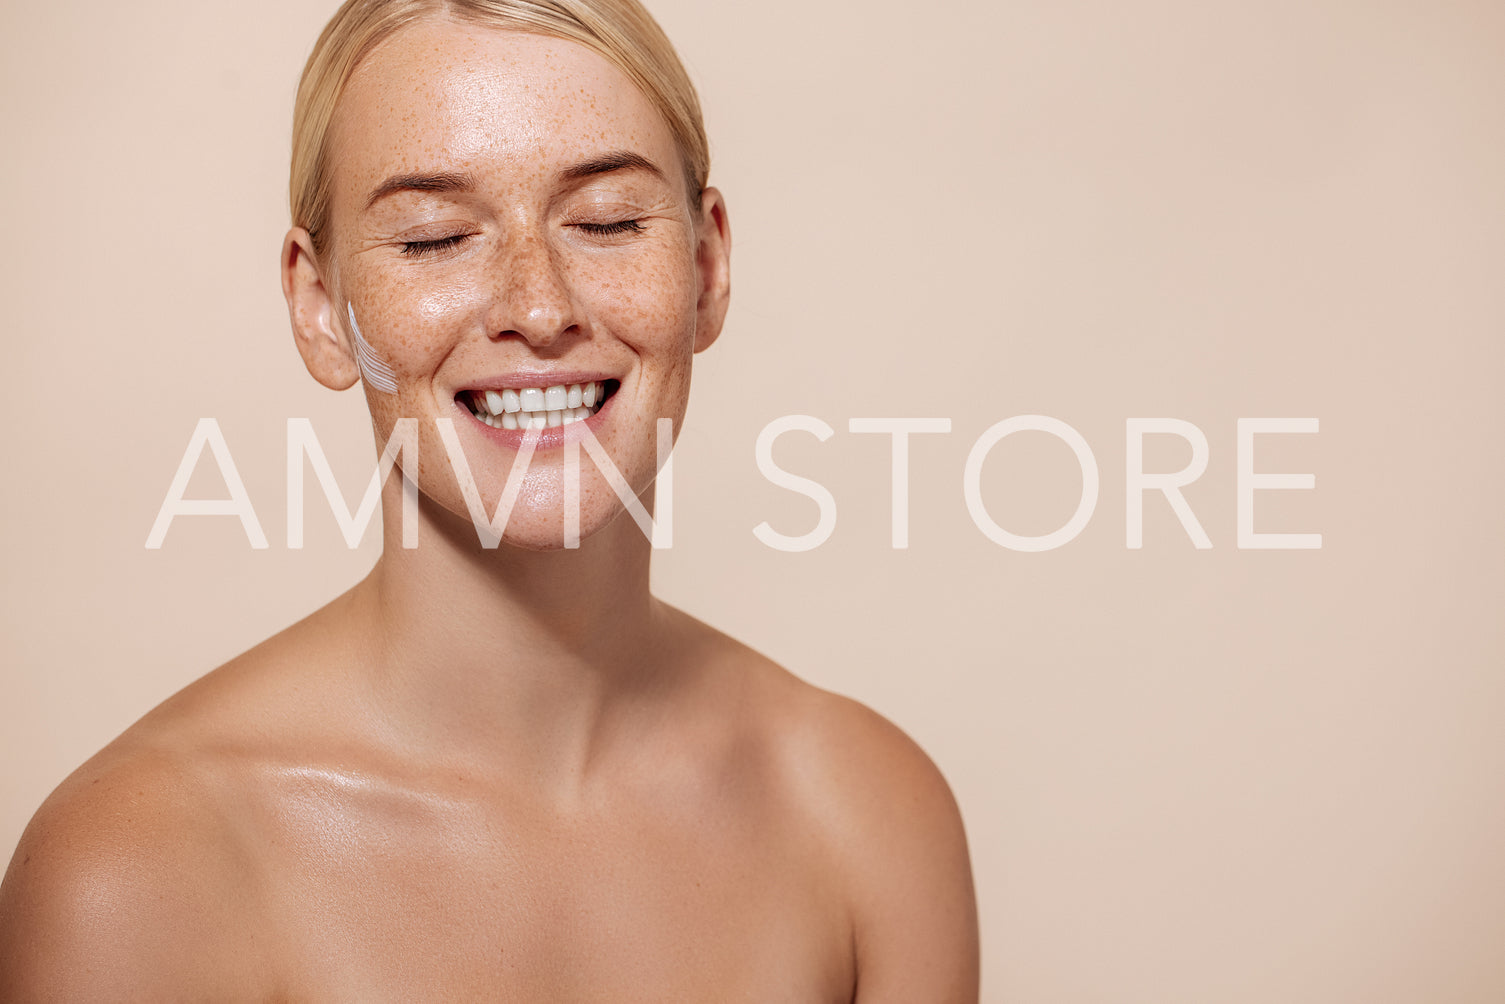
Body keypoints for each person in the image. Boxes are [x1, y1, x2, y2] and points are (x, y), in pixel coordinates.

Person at [0, 0, 979, 998]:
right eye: (432, 239)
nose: (538, 306)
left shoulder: (866, 817)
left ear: (705, 266)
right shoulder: (134, 873)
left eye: (605, 221)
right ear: (319, 306)